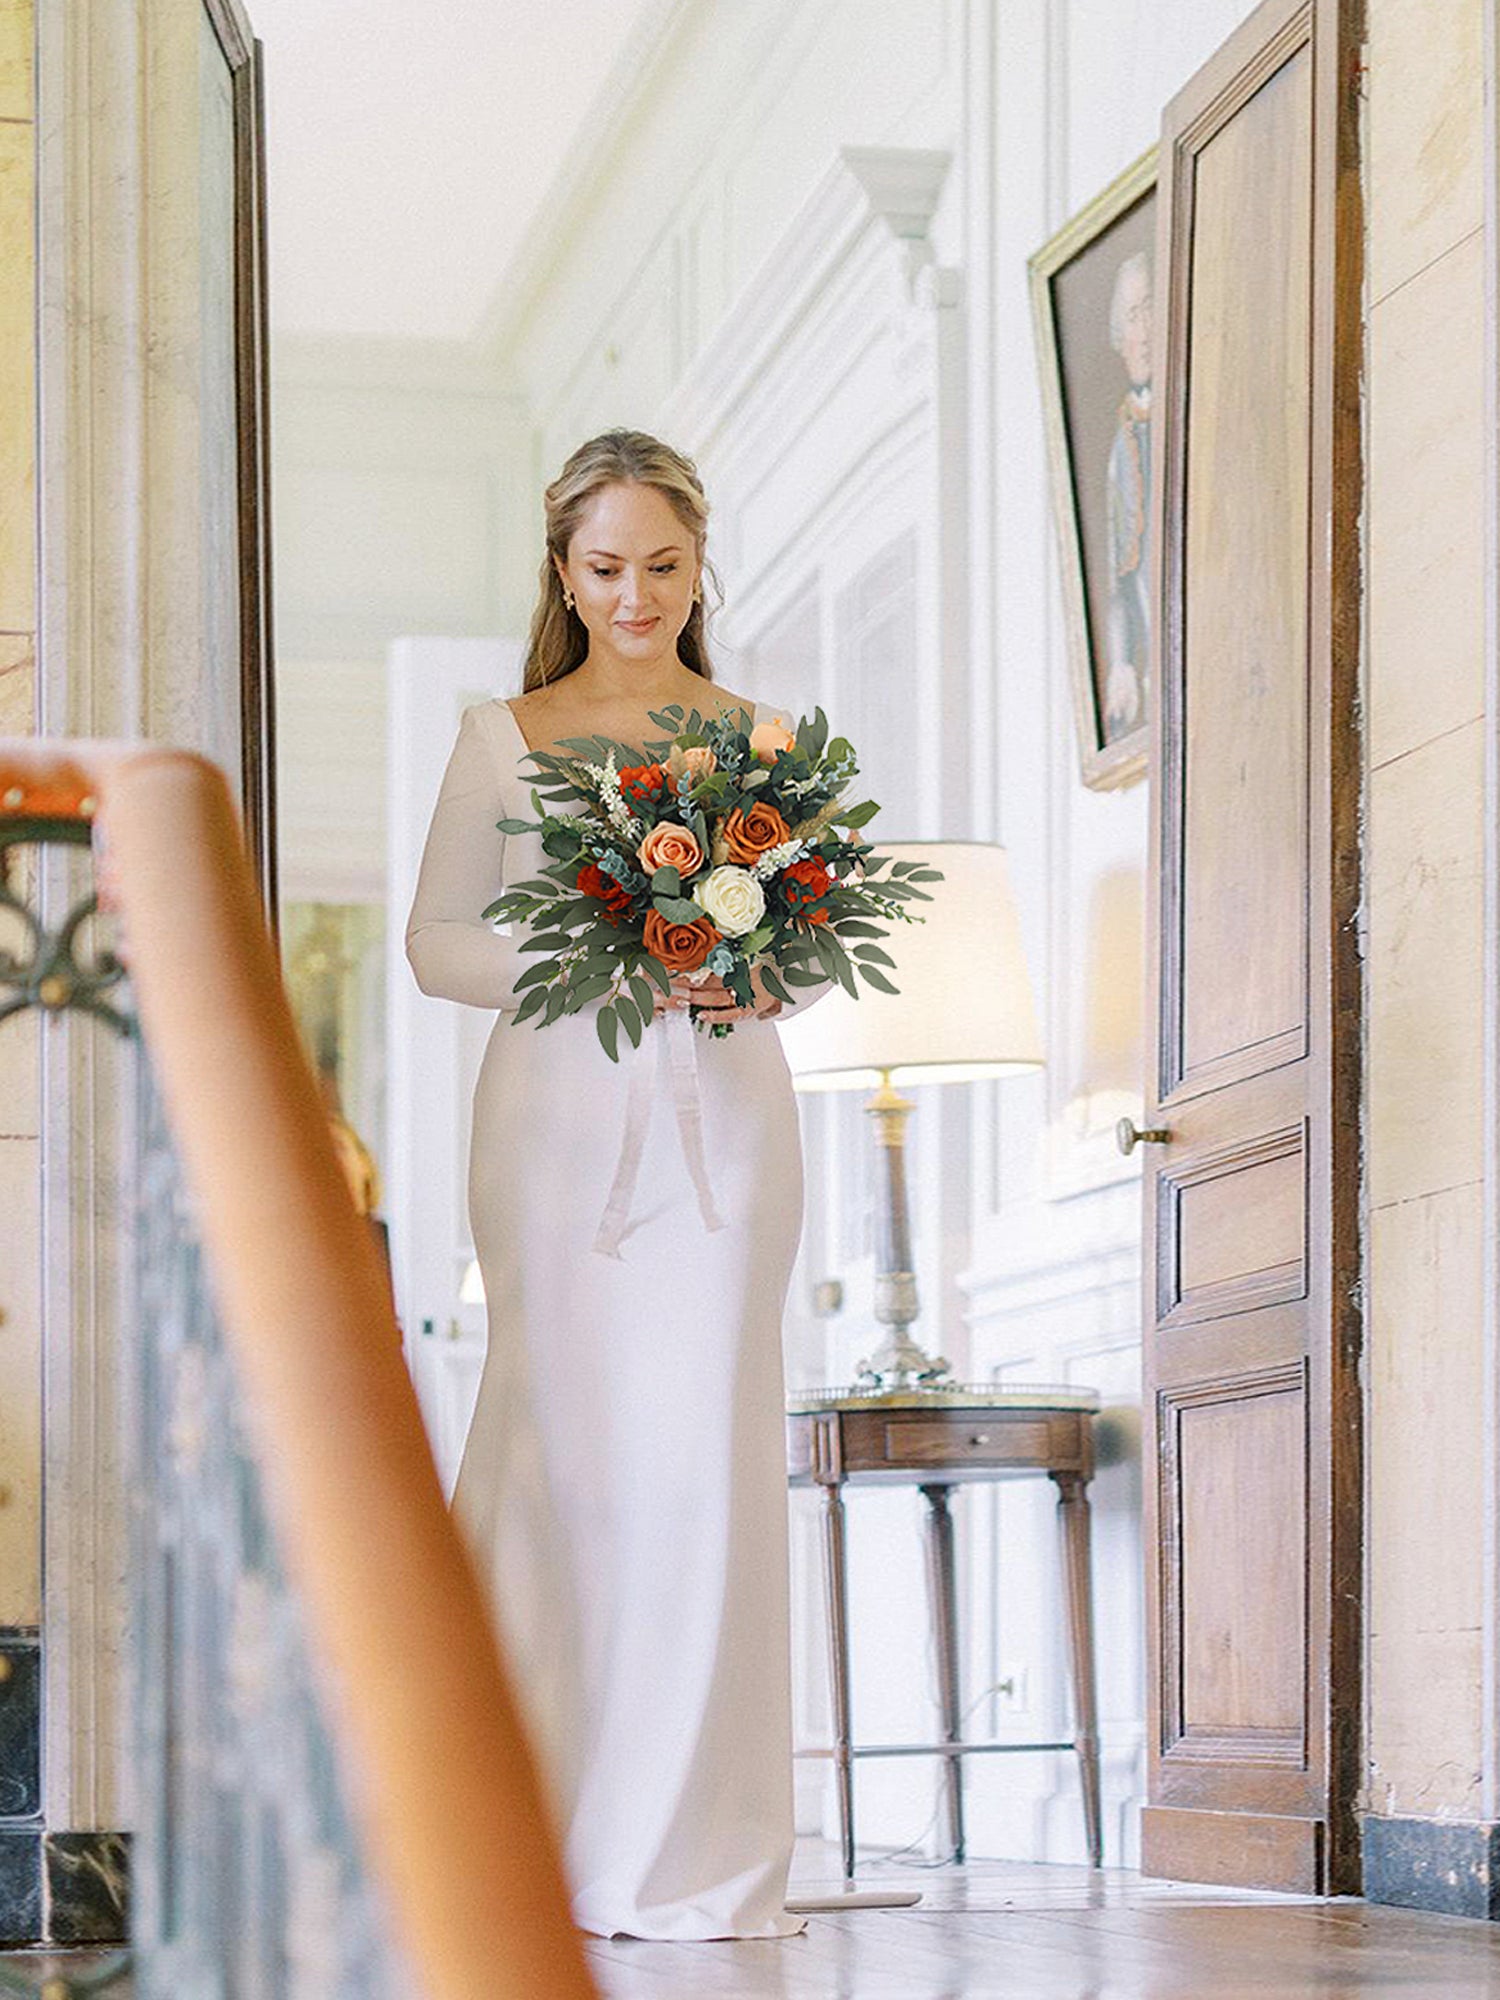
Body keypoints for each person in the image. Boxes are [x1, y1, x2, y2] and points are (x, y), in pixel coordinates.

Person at [404, 429, 834, 1942]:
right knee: (562, 1460)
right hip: (556, 1130)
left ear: (700, 562)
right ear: (562, 572)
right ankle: (520, 1830)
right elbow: (433, 942)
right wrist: (598, 942)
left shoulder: (772, 742)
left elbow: (806, 951)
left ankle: (691, 1849)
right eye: (606, 569)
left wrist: (752, 974)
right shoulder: (500, 734)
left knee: (704, 1459)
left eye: (664, 565)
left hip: (722, 1126)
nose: (636, 595)